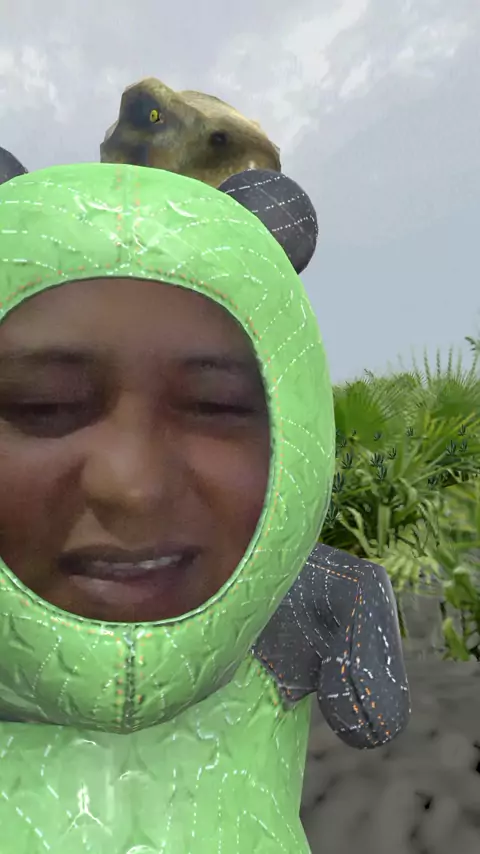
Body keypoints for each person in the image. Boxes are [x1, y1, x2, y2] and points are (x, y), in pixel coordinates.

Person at [0, 160, 409, 853]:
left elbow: (375, 716)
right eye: (44, 405)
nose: (132, 487)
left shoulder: (297, 600)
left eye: (215, 406)